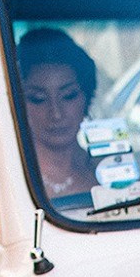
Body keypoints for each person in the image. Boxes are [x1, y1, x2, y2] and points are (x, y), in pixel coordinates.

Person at [16, 27, 101, 202]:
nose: (56, 114)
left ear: (86, 97)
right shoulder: (6, 176)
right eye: (38, 99)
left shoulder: (108, 173)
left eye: (68, 96)